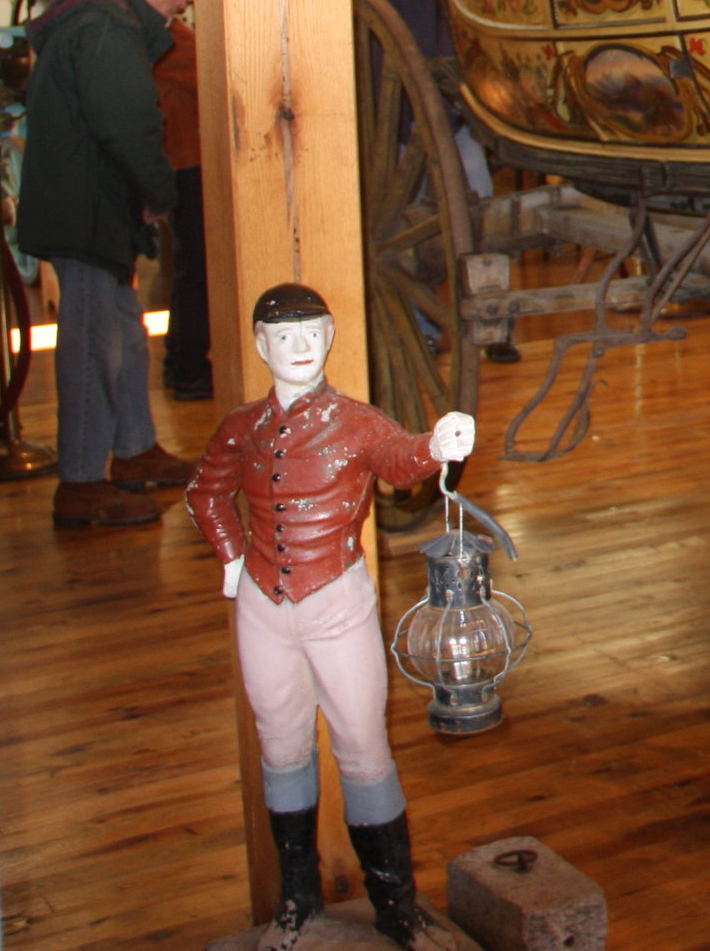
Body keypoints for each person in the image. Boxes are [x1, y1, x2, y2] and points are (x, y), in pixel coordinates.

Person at [188, 283, 474, 951]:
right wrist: (231, 556)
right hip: (263, 607)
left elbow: (399, 460)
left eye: (310, 333)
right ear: (261, 345)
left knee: (363, 746)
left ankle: (395, 904)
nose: (297, 347)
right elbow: (205, 490)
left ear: (330, 336)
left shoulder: (356, 422)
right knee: (281, 747)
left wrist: (437, 444)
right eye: (282, 336)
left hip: (336, 603)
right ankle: (297, 896)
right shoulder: (241, 427)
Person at [17, 0, 195, 528]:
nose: (181, 3)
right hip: (86, 209)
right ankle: (82, 480)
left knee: (122, 333)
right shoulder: (107, 28)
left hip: (93, 204)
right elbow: (127, 124)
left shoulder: (99, 19)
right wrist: (159, 191)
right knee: (95, 345)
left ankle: (135, 450)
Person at [155, 15, 213, 399]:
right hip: (188, 163)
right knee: (197, 269)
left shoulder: (168, 38)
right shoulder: (172, 41)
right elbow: (209, 82)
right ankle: (189, 366)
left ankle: (181, 361)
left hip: (181, 162)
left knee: (189, 267)